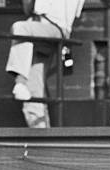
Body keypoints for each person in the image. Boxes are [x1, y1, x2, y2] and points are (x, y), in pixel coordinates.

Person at [5, 0, 85, 128]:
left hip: (54, 28)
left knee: (20, 28)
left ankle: (20, 81)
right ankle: (42, 135)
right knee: (33, 92)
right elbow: (29, 7)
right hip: (37, 30)